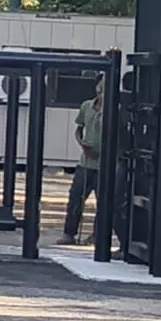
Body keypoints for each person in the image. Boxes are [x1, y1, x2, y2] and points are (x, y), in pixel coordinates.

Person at [58, 76, 104, 247]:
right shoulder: (86, 106)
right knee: (76, 197)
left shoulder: (115, 109)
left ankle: (97, 235)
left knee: (103, 202)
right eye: (100, 90)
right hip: (85, 162)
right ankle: (69, 233)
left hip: (104, 164)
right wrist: (81, 143)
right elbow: (79, 129)